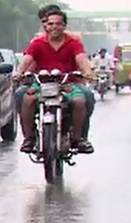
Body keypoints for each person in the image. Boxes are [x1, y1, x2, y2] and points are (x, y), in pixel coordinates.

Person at [13, 9, 94, 154]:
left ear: (64, 25)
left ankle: (78, 138)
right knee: (27, 98)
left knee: (80, 101)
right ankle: (29, 138)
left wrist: (87, 72)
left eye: (58, 24)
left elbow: (82, 59)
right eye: (50, 24)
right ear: (45, 25)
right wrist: (19, 73)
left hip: (67, 83)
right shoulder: (37, 43)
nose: (54, 27)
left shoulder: (73, 43)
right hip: (41, 84)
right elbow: (27, 60)